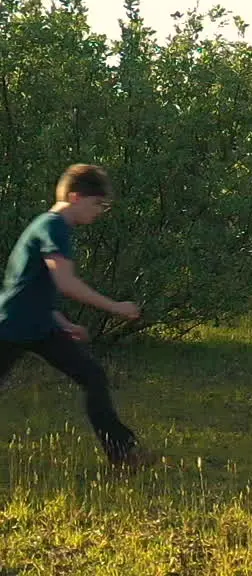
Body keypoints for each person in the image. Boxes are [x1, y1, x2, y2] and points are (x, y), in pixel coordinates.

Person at [0, 164, 155, 468]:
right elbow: (66, 283)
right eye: (97, 203)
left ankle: (123, 455)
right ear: (74, 197)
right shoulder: (53, 226)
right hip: (9, 328)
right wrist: (116, 307)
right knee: (93, 376)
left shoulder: (49, 226)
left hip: (40, 327)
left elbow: (33, 288)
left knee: (93, 376)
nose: (100, 212)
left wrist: (64, 323)